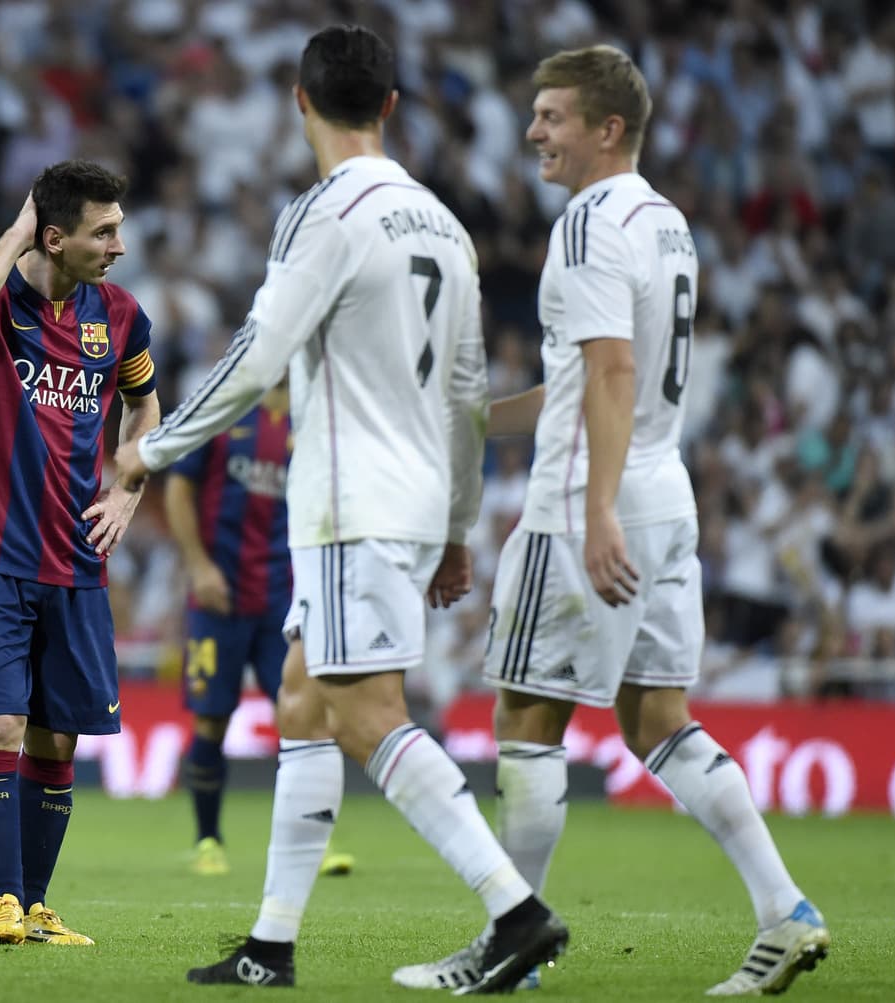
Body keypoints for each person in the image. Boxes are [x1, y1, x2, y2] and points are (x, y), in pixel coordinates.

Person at [117, 24, 566, 994]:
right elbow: (465, 390)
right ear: (392, 108)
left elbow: (254, 358)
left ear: (298, 102)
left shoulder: (321, 213)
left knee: (365, 715)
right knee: (300, 701)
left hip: (347, 503)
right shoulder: (442, 224)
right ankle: (270, 947)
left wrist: (149, 449)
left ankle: (514, 911)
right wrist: (454, 523)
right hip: (411, 503)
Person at [391, 46, 830, 997]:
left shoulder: (589, 223)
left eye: (552, 116)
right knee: (657, 718)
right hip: (664, 491)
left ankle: (514, 942)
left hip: (592, 498)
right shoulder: (667, 224)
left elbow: (615, 374)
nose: (534, 131)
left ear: (608, 129)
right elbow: (591, 373)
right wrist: (477, 417)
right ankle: (785, 909)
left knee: (526, 717)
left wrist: (591, 512)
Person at [0, 159, 161, 946]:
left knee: (55, 739)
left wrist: (130, 483)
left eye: (119, 228)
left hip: (75, 560)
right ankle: (0, 903)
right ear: (55, 237)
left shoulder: (122, 315)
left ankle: (32, 906)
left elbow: (145, 405)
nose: (119, 245)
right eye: (105, 231)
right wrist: (19, 230)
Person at [167, 376, 355, 878]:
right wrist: (199, 566)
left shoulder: (314, 418)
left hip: (283, 599)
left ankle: (314, 839)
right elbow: (179, 489)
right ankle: (208, 840)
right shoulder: (223, 408)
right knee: (211, 720)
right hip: (218, 597)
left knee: (305, 716)